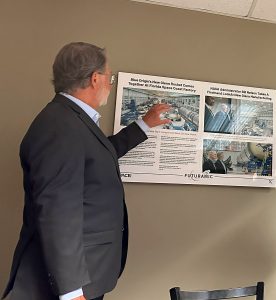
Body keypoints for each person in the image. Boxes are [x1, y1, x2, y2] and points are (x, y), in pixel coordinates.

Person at [2, 42, 171, 300]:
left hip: (85, 275)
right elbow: (58, 212)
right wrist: (71, 291)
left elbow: (100, 156)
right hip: (65, 286)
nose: (110, 84)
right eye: (109, 77)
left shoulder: (70, 121)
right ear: (95, 79)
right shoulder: (60, 128)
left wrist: (143, 125)